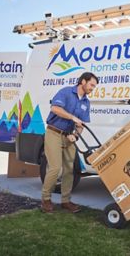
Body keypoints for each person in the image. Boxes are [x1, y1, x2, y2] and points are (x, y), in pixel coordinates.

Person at [41, 72, 98, 213]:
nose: (93, 88)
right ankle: (45, 199)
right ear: (83, 82)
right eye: (91, 85)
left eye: (94, 86)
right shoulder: (66, 92)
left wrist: (76, 136)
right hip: (54, 133)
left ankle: (65, 201)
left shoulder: (86, 102)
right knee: (55, 167)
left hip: (69, 137)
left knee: (69, 169)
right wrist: (72, 117)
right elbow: (55, 108)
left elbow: (80, 125)